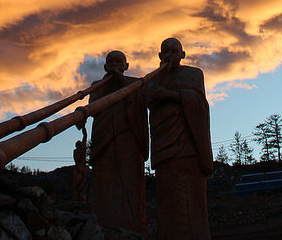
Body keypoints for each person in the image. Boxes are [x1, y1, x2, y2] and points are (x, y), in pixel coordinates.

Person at [146, 37, 213, 240]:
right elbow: (147, 100)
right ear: (159, 56)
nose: (169, 56)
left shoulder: (193, 75)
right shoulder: (153, 79)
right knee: (169, 201)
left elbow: (200, 104)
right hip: (164, 149)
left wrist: (170, 96)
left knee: (193, 201)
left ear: (182, 55)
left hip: (189, 147)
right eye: (165, 52)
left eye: (174, 52)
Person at [88, 50, 148, 236]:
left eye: (118, 61)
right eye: (110, 62)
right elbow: (93, 108)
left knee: (129, 182)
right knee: (104, 184)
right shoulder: (98, 85)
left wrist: (122, 83)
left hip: (128, 140)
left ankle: (132, 227)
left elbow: (141, 104)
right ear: (105, 67)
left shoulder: (135, 83)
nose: (114, 65)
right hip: (104, 141)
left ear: (126, 66)